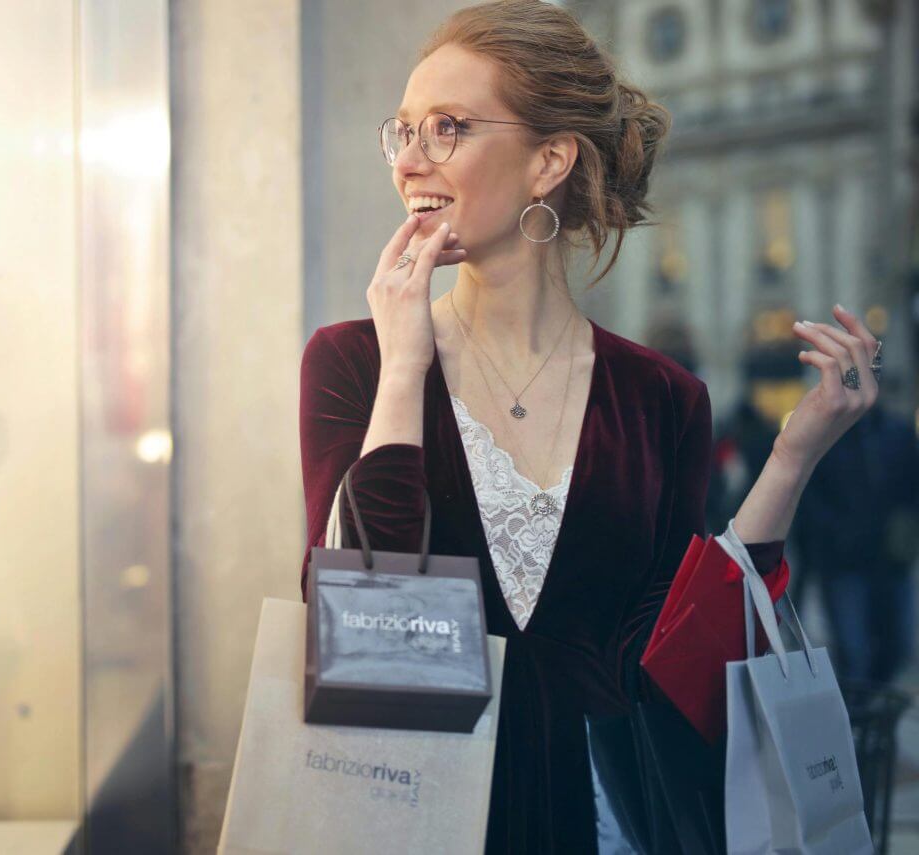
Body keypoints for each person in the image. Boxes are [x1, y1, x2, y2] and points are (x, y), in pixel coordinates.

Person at [297, 2, 885, 852]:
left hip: (609, 822)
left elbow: (671, 660)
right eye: (404, 132)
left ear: (549, 161)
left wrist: (794, 455)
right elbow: (357, 621)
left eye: (448, 128)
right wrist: (402, 367)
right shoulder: (353, 362)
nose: (410, 161)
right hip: (415, 817)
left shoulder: (661, 396)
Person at [793, 399, 919, 684]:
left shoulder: (897, 431)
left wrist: (906, 528)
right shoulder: (827, 435)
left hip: (891, 559)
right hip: (843, 563)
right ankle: (857, 717)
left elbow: (912, 485)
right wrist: (835, 534)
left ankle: (876, 711)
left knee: (896, 645)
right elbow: (810, 497)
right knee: (853, 650)